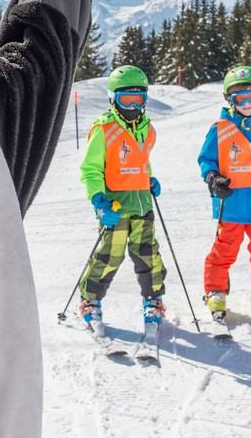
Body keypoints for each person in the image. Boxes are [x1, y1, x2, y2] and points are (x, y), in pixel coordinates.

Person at [78, 65, 166, 331]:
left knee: (148, 255)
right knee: (109, 256)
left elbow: (140, 160)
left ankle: (154, 299)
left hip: (142, 205)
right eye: (126, 99)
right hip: (114, 207)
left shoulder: (148, 129)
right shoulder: (103, 129)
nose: (133, 106)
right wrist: (99, 201)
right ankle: (90, 300)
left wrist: (148, 179)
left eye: (138, 99)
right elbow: (91, 170)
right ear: (113, 99)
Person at [198, 66, 251, 319]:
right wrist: (213, 178)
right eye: (239, 99)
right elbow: (206, 160)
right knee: (225, 250)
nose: (247, 104)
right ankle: (216, 291)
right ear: (229, 100)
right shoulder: (220, 129)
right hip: (231, 202)